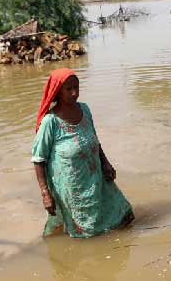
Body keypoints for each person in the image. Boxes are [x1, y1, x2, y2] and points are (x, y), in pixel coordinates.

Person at [32, 68, 133, 238]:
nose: (74, 93)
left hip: (96, 175)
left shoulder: (84, 110)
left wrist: (106, 163)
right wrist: (45, 194)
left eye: (76, 87)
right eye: (69, 89)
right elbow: (38, 159)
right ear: (58, 92)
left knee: (124, 216)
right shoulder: (50, 122)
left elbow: (94, 139)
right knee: (87, 232)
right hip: (73, 186)